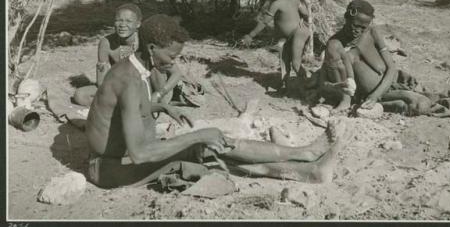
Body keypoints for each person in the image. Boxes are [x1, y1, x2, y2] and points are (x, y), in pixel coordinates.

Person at [86, 14, 350, 188]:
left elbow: (125, 111)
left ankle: (305, 154)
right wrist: (197, 135)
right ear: (152, 49)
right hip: (112, 169)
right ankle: (309, 169)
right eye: (173, 56)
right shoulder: (128, 79)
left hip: (126, 158)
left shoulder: (136, 69)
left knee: (216, 142)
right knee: (207, 149)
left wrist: (162, 105)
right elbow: (140, 153)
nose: (175, 62)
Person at [325, 0, 431, 116]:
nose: (358, 31)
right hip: (362, 95)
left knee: (422, 105)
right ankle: (357, 103)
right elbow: (331, 77)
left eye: (363, 27)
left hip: (385, 89)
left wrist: (375, 95)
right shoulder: (335, 45)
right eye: (355, 25)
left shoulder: (371, 33)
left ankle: (384, 105)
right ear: (347, 18)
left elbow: (391, 68)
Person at [73, 4, 183, 107]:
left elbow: (176, 73)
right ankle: (126, 106)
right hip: (122, 87)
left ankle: (139, 105)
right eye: (118, 20)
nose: (122, 25)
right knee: (80, 96)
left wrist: (160, 93)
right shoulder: (106, 43)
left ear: (138, 24)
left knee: (155, 70)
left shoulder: (145, 41)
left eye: (128, 21)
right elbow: (101, 82)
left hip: (151, 88)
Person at [241, 0, 310, 87]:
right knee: (284, 60)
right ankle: (286, 85)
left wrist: (251, 35)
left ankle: (308, 83)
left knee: (295, 63)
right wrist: (305, 22)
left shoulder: (276, 4)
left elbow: (264, 22)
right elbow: (306, 13)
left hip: (298, 34)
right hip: (293, 36)